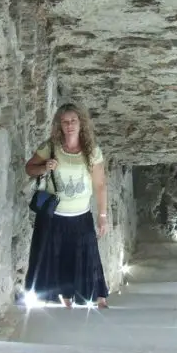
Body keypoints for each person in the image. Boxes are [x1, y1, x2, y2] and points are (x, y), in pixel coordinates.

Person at [23, 102, 110, 309]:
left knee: (86, 256)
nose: (69, 125)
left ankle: (99, 297)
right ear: (59, 125)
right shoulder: (51, 147)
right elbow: (29, 169)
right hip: (54, 216)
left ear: (81, 123)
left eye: (73, 121)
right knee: (56, 257)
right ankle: (64, 297)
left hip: (81, 215)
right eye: (65, 122)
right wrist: (44, 166)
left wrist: (102, 216)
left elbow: (99, 185)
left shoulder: (92, 152)